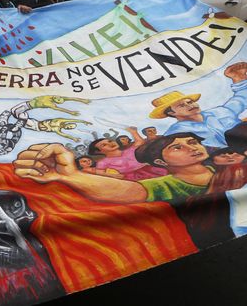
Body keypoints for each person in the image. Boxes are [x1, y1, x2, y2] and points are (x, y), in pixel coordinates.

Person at [14, 133, 214, 204]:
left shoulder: (223, 166)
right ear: (160, 162)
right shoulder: (166, 186)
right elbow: (128, 190)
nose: (192, 148)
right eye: (177, 147)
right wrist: (70, 176)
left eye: (193, 142)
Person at [149, 63, 247, 148]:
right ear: (171, 113)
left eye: (190, 102)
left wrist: (238, 78)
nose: (190, 105)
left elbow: (241, 99)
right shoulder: (175, 133)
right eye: (181, 105)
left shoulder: (219, 112)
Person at [87, 128, 166, 181]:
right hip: (130, 180)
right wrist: (112, 176)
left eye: (110, 141)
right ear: (98, 152)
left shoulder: (130, 150)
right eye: (104, 145)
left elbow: (139, 142)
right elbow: (98, 172)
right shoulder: (103, 162)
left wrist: (133, 132)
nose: (110, 144)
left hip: (152, 171)